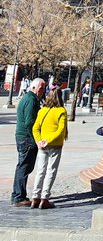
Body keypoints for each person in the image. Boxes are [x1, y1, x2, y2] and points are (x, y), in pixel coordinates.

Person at [31, 86, 68, 209]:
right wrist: (49, 140)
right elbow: (61, 129)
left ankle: (35, 197)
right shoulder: (61, 111)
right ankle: (44, 198)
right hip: (55, 145)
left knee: (40, 171)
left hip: (42, 145)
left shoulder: (42, 110)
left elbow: (35, 128)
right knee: (51, 171)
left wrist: (39, 141)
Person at [11, 78, 46, 206]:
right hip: (26, 138)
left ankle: (17, 195)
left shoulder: (28, 98)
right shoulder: (31, 100)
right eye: (41, 88)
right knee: (24, 167)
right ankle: (19, 197)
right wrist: (36, 139)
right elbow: (30, 122)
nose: (42, 91)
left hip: (22, 137)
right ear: (34, 87)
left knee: (22, 166)